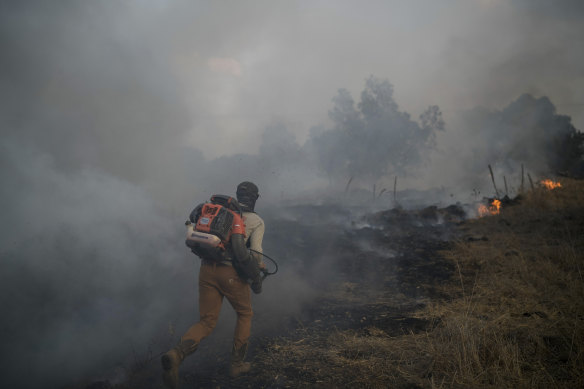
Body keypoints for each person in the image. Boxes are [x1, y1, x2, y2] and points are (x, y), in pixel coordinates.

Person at [161, 182, 265, 389]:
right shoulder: (256, 220)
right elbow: (254, 253)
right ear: (255, 198)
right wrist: (256, 278)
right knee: (245, 314)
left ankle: (176, 354)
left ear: (236, 196)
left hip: (207, 270)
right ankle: (237, 365)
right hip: (231, 274)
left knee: (207, 321)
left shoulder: (217, 211)